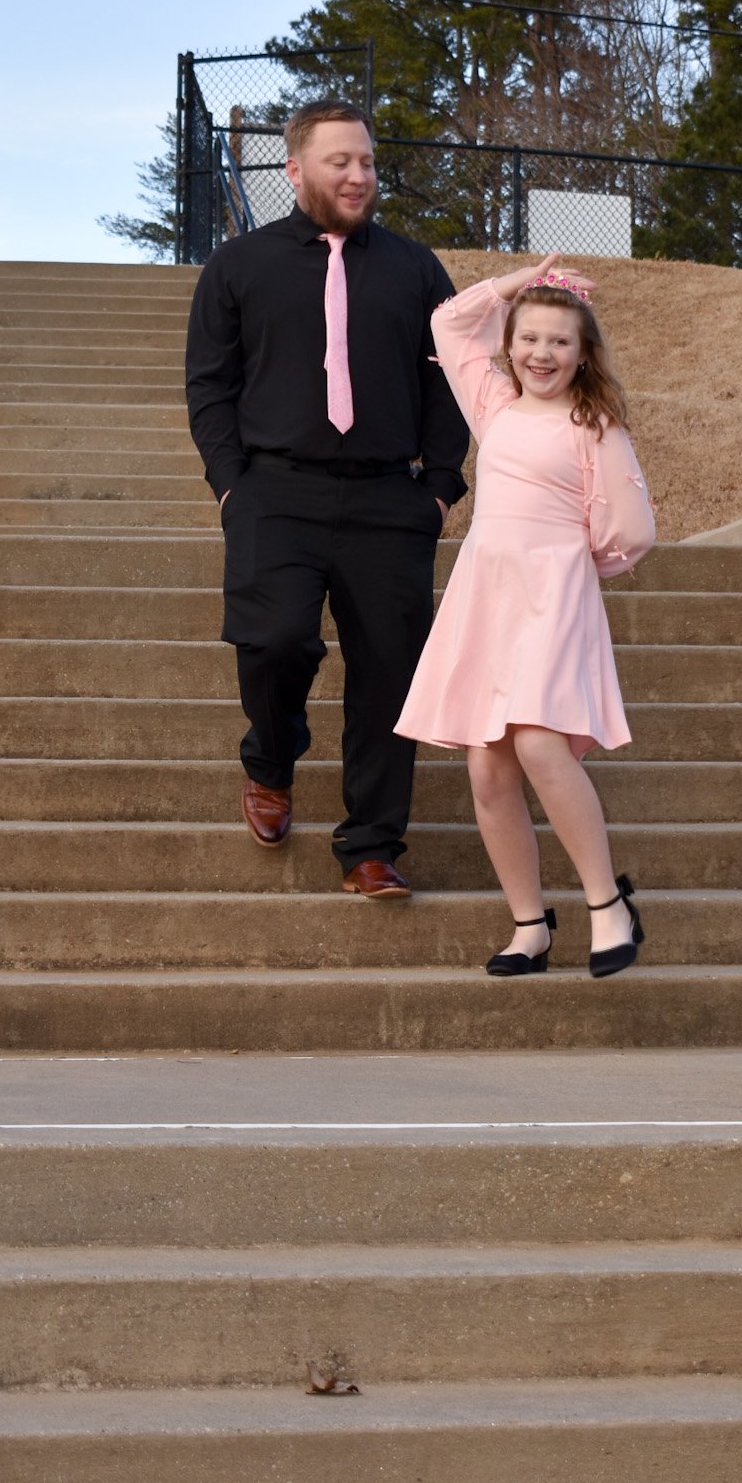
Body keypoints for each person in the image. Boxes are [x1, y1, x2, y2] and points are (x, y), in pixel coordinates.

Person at [185, 98, 468, 899]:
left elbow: (450, 380)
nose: (357, 174)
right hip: (275, 491)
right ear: (295, 169)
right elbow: (209, 385)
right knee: (274, 640)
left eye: (368, 161)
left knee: (388, 674)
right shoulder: (238, 267)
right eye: (339, 160)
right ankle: (271, 764)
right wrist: (231, 482)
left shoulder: (416, 269)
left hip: (389, 498)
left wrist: (440, 486)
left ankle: (371, 845)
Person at [395, 252, 656, 975]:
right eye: (528, 337)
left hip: (553, 593)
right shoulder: (493, 405)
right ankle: (529, 924)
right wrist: (519, 284)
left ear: (582, 353)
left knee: (540, 744)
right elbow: (450, 320)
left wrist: (573, 563)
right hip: (488, 595)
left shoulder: (593, 425)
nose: (541, 353)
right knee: (486, 768)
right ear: (509, 343)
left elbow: (632, 530)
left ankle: (607, 906)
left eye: (559, 341)